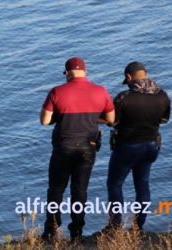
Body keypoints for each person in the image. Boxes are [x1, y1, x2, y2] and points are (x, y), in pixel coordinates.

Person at [40, 57, 115, 242]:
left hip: (63, 148)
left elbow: (44, 121)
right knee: (79, 191)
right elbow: (111, 119)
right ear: (85, 72)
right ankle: (76, 234)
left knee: (56, 191)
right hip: (87, 149)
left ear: (66, 73)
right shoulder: (100, 91)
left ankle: (50, 233)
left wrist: (62, 116)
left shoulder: (56, 91)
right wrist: (90, 118)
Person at [101, 62, 171, 234]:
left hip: (127, 147)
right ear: (145, 75)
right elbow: (164, 120)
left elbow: (113, 121)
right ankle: (137, 228)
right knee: (142, 185)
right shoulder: (163, 96)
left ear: (129, 77)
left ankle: (115, 227)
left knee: (115, 185)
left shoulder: (124, 97)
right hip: (151, 147)